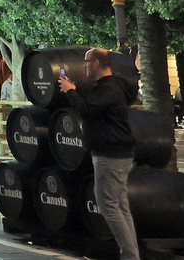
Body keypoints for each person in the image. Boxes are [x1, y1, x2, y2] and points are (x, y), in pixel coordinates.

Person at [59, 48, 139, 260]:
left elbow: (87, 110)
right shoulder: (109, 87)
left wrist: (70, 91)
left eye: (86, 62)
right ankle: (132, 254)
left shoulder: (109, 88)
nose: (84, 66)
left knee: (108, 206)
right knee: (119, 205)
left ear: (95, 63)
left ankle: (130, 256)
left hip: (110, 153)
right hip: (116, 152)